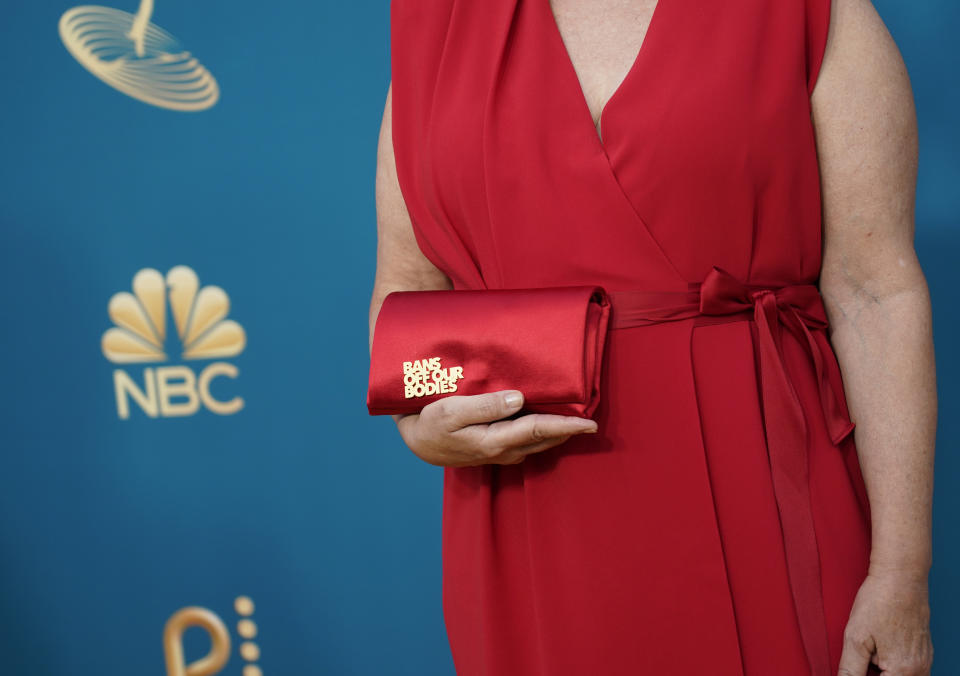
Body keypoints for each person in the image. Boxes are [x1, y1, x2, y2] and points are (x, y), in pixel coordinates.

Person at [369, 0, 936, 673]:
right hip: (528, 512)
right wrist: (420, 424)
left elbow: (876, 295)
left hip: (770, 487)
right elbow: (405, 297)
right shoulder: (438, 23)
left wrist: (900, 577)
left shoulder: (807, 12)